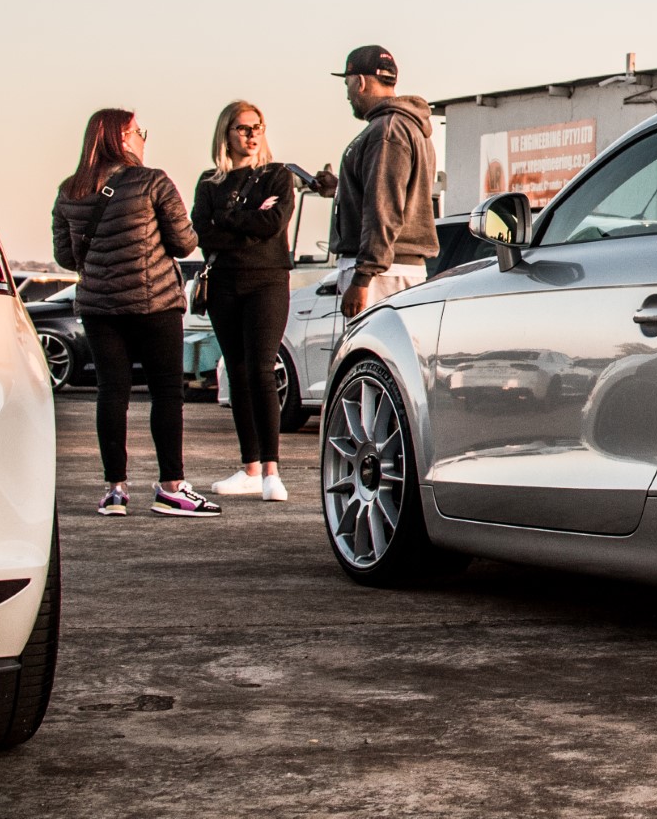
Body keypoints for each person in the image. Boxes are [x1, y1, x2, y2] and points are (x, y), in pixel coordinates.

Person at [51, 108, 218, 517]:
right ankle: (171, 488)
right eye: (139, 131)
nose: (144, 138)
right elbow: (184, 244)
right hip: (154, 302)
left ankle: (115, 491)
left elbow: (65, 257)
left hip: (98, 307)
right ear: (123, 138)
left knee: (112, 393)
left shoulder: (69, 190)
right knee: (166, 393)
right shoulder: (152, 181)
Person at [191, 101, 296, 501]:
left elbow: (273, 223)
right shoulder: (209, 182)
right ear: (226, 133)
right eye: (243, 128)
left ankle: (271, 471)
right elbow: (202, 233)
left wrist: (228, 218)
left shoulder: (277, 175)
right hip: (223, 284)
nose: (252, 135)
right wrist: (248, 220)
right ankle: (250, 468)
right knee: (236, 373)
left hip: (267, 282)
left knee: (261, 371)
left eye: (258, 127)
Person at [320, 45, 438, 318]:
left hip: (381, 275)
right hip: (393, 268)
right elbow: (392, 193)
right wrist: (340, 188)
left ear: (360, 82)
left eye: (348, 84)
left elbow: (383, 208)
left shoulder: (386, 131)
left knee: (370, 344)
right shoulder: (409, 127)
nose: (347, 95)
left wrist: (363, 277)